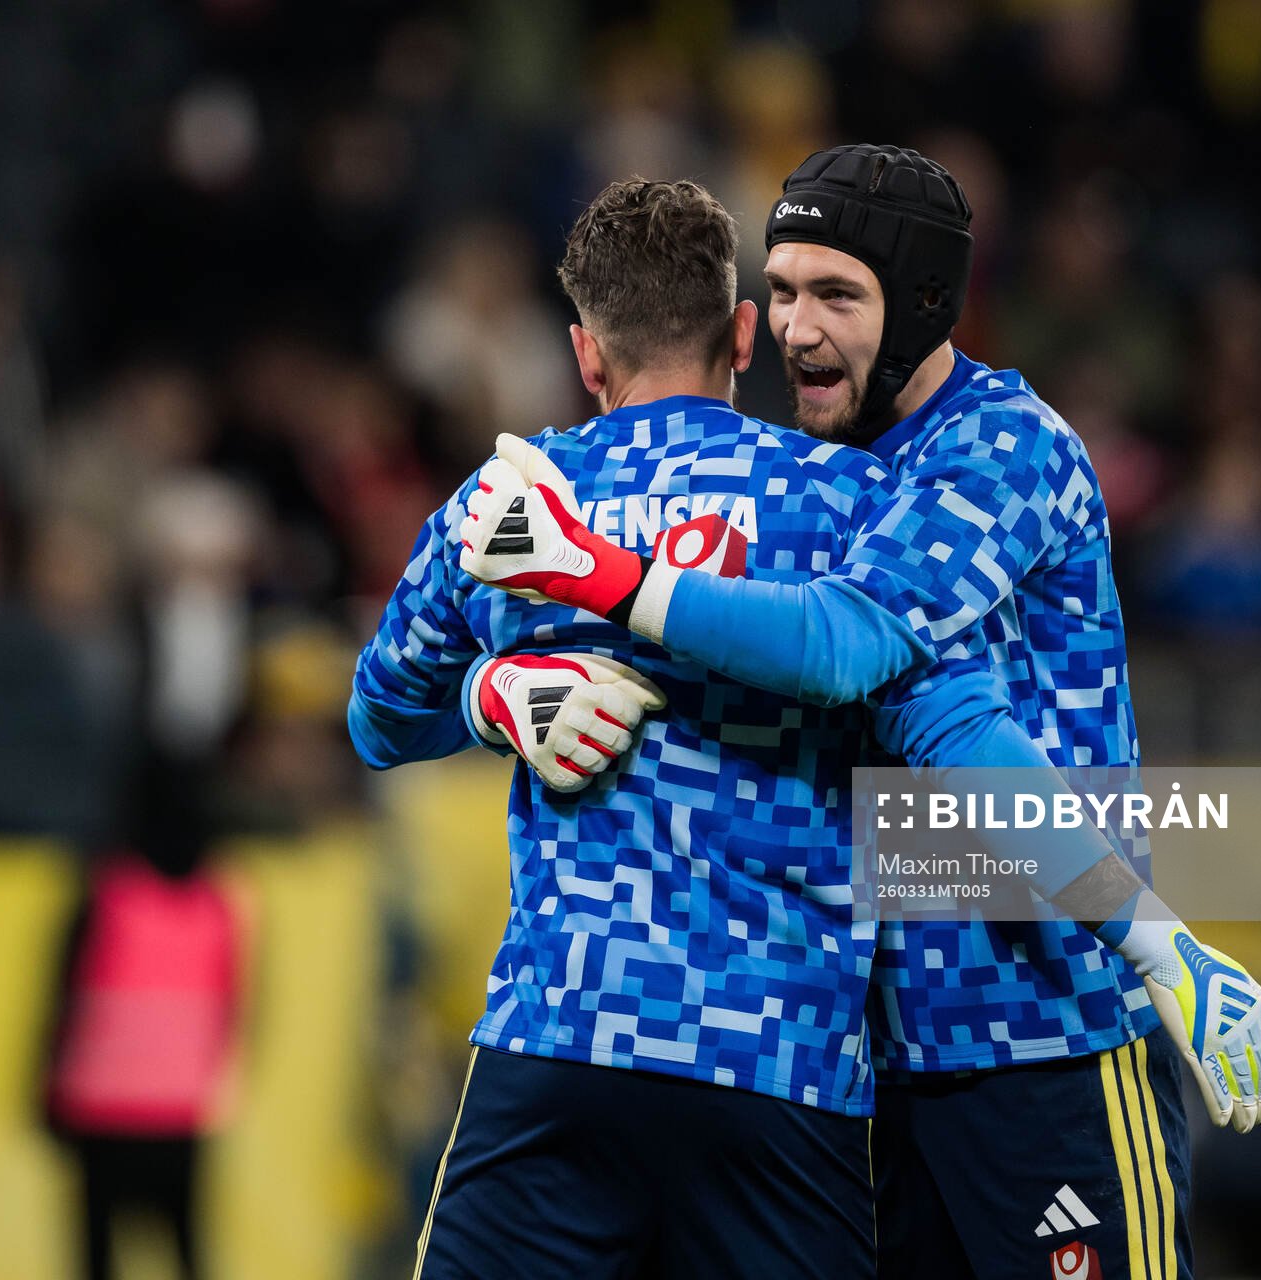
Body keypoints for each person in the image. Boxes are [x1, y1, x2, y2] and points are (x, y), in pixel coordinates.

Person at [460, 144, 1261, 1280]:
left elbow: (852, 650)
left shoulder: (1004, 447)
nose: (797, 329)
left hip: (1046, 1035)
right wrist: (492, 687)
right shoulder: (808, 472)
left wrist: (1158, 944)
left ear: (924, 305)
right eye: (784, 288)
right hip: (873, 1062)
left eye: (837, 295)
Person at [350, 177, 1101, 1278]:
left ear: (584, 353)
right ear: (745, 334)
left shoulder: (507, 501)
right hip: (777, 1064)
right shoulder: (843, 501)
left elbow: (377, 714)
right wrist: (1141, 923)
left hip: (558, 1037)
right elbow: (954, 716)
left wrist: (492, 695)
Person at [43, 767, 247, 1280]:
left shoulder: (106, 891)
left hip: (100, 1107)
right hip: (181, 1108)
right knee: (186, 1250)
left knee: (97, 1255)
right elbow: (233, 1009)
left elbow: (64, 1001)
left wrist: (45, 1088)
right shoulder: (218, 901)